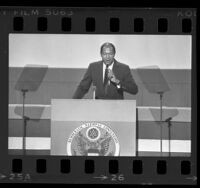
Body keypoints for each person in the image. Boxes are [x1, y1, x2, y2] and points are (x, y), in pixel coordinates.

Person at [73, 42, 138, 99]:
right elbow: (82, 87)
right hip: (98, 107)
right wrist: (72, 103)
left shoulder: (123, 68)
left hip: (117, 108)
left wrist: (116, 81)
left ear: (114, 54)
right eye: (104, 54)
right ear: (101, 54)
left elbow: (134, 90)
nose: (107, 57)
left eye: (110, 54)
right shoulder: (93, 67)